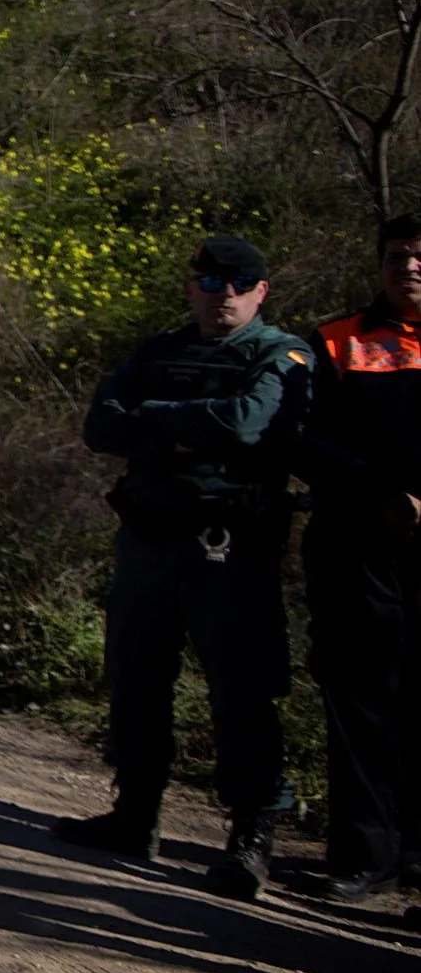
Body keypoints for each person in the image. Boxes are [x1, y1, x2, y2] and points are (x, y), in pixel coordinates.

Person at [57, 236, 311, 900]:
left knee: (241, 689)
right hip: (148, 536)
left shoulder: (278, 353)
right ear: (189, 286)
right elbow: (100, 425)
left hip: (227, 545)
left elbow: (248, 422)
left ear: (260, 290)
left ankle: (251, 836)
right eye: (208, 278)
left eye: (237, 280)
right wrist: (183, 427)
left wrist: (156, 419)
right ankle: (134, 814)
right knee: (135, 675)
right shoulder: (158, 350)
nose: (220, 290)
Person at [295, 216, 421, 906]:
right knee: (360, 698)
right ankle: (362, 854)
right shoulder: (338, 339)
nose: (409, 267)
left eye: (419, 257)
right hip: (356, 545)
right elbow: (304, 439)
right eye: (398, 256)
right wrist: (380, 494)